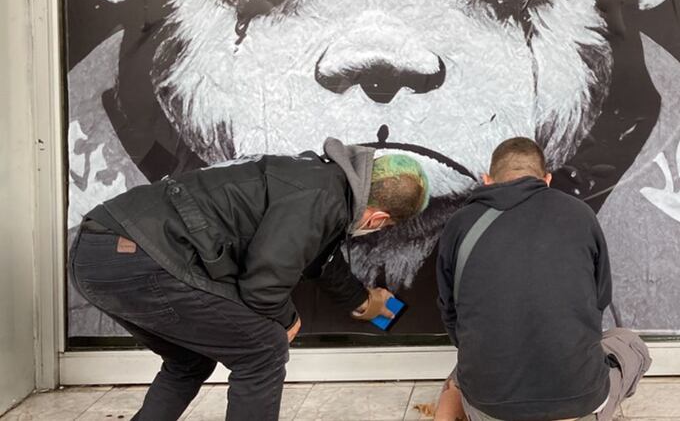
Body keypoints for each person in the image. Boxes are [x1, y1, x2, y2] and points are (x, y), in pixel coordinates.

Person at [69, 139, 428, 420]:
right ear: (378, 217)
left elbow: (320, 258)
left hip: (101, 250)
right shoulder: (322, 198)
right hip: (139, 256)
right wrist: (288, 320)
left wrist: (364, 302)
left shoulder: (322, 182)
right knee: (264, 350)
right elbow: (265, 284)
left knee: (189, 361)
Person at [435, 138, 650, 421]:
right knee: (630, 343)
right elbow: (600, 299)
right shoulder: (580, 214)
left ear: (487, 180)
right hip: (577, 404)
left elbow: (451, 313)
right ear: (546, 179)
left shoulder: (460, 223)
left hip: (490, 407)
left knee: (467, 365)